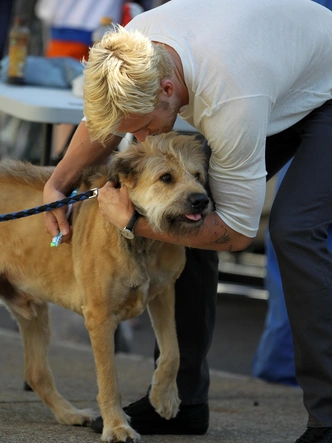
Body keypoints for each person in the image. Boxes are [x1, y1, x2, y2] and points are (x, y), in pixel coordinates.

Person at [42, 1, 332, 442]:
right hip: (276, 72)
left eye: (142, 129)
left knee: (293, 231)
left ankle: (328, 416)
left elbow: (235, 233)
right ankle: (182, 402)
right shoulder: (131, 50)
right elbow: (106, 122)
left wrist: (132, 222)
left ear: (166, 88)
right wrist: (57, 184)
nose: (139, 141)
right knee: (184, 212)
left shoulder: (230, 95)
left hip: (320, 88)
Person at [252, 0, 332, 391]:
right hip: (298, 73)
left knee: (296, 231)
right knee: (294, 232)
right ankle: (280, 369)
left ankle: (285, 372)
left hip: (302, 66)